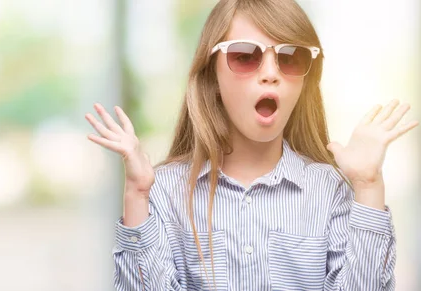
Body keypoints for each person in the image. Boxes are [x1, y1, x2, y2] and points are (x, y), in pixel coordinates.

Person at [85, 0, 418, 290]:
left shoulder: (329, 191)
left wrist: (368, 186)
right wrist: (137, 194)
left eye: (291, 58)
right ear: (211, 76)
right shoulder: (165, 191)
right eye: (245, 56)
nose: (270, 73)